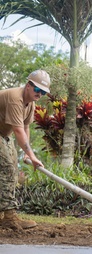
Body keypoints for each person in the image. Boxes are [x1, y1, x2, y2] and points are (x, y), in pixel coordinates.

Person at [0, 69, 51, 230]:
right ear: (28, 85)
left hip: (3, 134)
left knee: (12, 169)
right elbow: (18, 130)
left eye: (43, 92)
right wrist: (32, 155)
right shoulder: (15, 98)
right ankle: (9, 217)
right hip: (3, 133)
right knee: (7, 167)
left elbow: (26, 127)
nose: (39, 94)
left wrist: (25, 154)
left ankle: (5, 214)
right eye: (37, 89)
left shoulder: (30, 105)